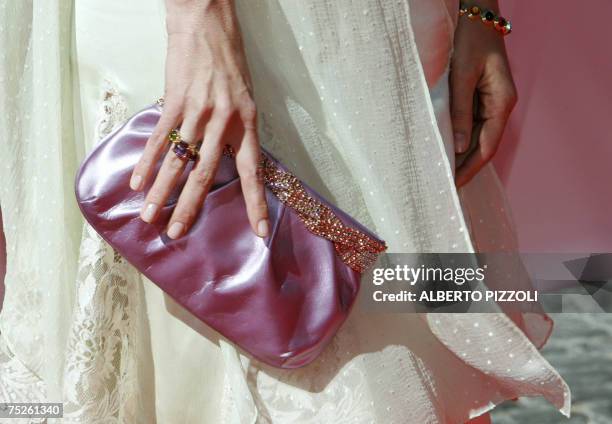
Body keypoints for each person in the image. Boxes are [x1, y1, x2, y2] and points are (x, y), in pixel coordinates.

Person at [0, 0, 570, 422]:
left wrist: (479, 10)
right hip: (204, 33)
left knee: (407, 348)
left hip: (382, 34)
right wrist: (197, 19)